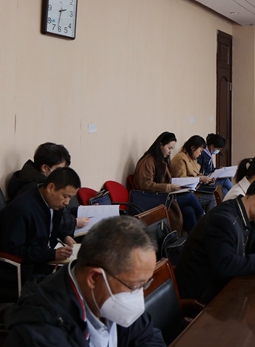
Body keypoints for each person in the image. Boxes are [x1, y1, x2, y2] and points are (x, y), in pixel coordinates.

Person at [3, 216, 165, 346]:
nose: (139, 294)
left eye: (144, 284)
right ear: (93, 278)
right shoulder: (39, 336)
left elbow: (148, 337)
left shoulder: (113, 296)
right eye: (136, 286)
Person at [175, 173, 255, 304]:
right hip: (203, 302)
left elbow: (254, 235)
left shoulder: (241, 211)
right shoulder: (223, 220)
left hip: (224, 291)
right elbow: (225, 265)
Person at [0, 167, 81, 287]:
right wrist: (51, 254)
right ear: (50, 188)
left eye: (70, 198)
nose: (67, 202)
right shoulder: (22, 209)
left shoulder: (53, 203)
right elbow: (14, 250)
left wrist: (65, 236)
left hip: (45, 259)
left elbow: (49, 226)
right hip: (26, 269)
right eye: (65, 196)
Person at [6, 143, 88, 232]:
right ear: (45, 168)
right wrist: (74, 222)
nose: (62, 174)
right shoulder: (34, 189)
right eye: (59, 169)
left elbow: (61, 211)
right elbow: (46, 219)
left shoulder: (47, 184)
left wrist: (82, 210)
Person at [133, 132, 205, 233]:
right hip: (152, 199)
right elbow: (145, 184)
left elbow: (167, 180)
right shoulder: (148, 161)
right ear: (160, 145)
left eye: (172, 149)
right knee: (190, 197)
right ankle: (206, 220)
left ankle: (194, 238)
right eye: (169, 148)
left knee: (189, 210)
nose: (170, 152)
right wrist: (169, 187)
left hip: (162, 196)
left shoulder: (161, 160)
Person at [171, 135, 217, 212]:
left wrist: (208, 180)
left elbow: (196, 173)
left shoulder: (191, 157)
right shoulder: (181, 159)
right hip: (184, 193)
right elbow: (181, 181)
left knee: (214, 192)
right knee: (211, 197)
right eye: (200, 151)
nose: (200, 154)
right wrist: (200, 179)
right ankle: (206, 218)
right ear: (193, 148)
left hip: (193, 190)